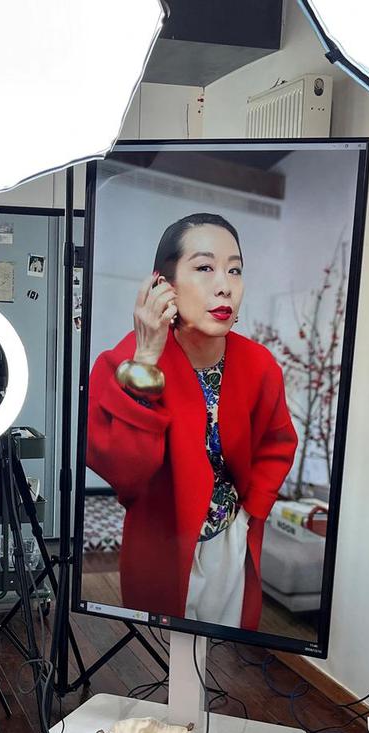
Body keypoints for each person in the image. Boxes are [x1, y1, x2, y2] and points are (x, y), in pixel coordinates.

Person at [87, 212, 296, 631]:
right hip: (162, 546)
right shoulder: (122, 362)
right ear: (162, 285)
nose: (225, 284)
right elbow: (125, 474)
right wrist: (145, 360)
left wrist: (251, 513)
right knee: (164, 654)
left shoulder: (259, 365)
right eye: (204, 267)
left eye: (234, 269)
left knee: (220, 654)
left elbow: (278, 444)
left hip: (231, 538)